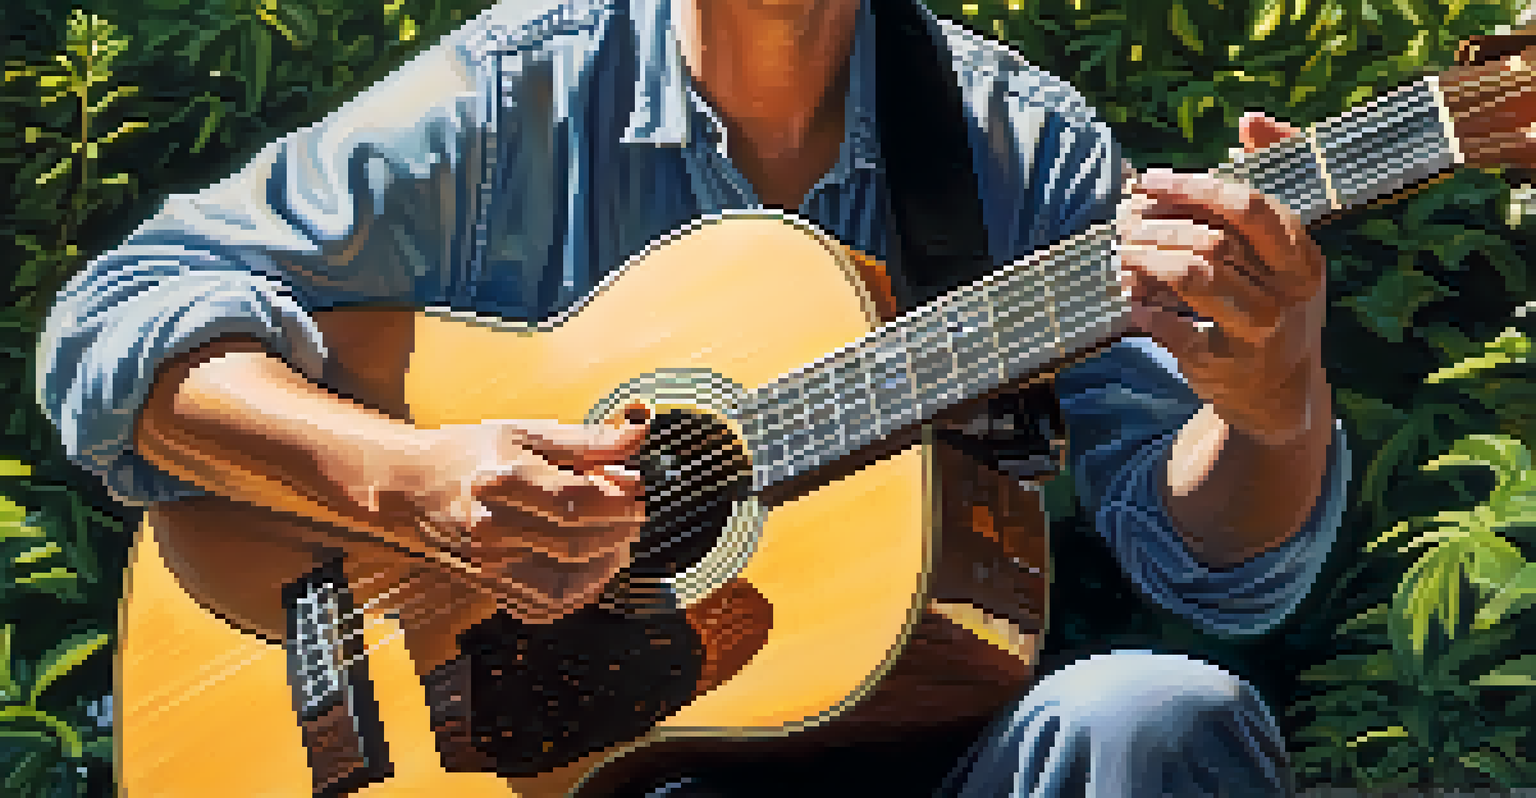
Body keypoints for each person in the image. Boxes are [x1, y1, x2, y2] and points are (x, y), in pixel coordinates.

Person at [37, 0, 1350, 794]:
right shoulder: (508, 103)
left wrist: (1272, 394)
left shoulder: (1017, 145)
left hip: (919, 759)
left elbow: (1222, 567)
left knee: (1164, 723)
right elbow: (115, 325)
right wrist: (409, 483)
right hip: (557, 776)